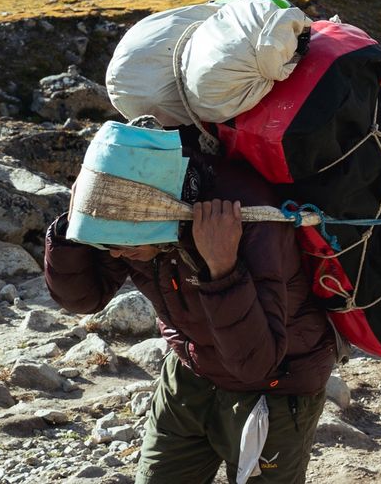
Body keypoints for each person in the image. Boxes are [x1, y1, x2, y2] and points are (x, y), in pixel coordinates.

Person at [44, 120, 335, 484]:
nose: (115, 255)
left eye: (120, 245)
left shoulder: (249, 216)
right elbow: (85, 298)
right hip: (189, 374)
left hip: (276, 390)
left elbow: (255, 363)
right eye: (106, 244)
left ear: (158, 215)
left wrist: (223, 269)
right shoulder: (130, 219)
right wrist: (73, 230)